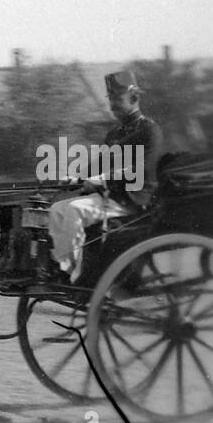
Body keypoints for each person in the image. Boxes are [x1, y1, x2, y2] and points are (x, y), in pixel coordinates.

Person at [48, 70, 164, 283]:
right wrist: (75, 177)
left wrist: (103, 180)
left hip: (134, 199)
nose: (112, 105)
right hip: (109, 197)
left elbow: (143, 170)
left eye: (117, 99)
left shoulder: (150, 130)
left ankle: (73, 273)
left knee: (74, 210)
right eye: (110, 100)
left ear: (134, 98)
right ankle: (65, 266)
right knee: (57, 209)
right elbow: (99, 163)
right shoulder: (114, 134)